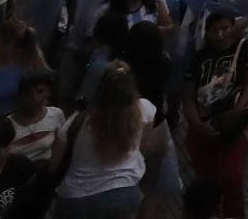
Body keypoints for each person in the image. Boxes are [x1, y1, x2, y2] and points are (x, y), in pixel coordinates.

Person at [50, 61, 166, 219]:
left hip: (76, 199)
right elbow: (141, 148)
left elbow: (54, 165)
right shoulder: (145, 109)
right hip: (123, 194)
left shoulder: (78, 121)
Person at [183, 6, 248, 219]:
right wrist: (198, 125)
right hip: (204, 128)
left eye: (225, 28)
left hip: (233, 129)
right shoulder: (198, 58)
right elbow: (188, 96)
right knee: (206, 182)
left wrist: (237, 110)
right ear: (205, 32)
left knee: (232, 178)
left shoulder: (245, 48)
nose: (220, 34)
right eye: (214, 30)